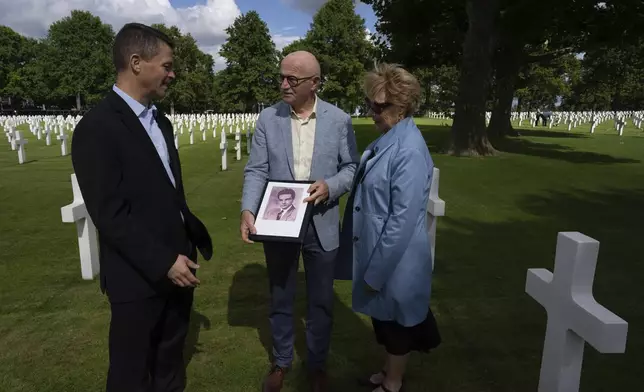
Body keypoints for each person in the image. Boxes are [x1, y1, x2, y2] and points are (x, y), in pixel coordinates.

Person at [71, 23, 213, 392]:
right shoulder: (97, 128)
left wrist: (182, 250)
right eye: (166, 65)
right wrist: (163, 261)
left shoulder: (160, 121)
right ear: (136, 63)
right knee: (131, 374)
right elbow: (110, 214)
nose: (172, 73)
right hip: (137, 276)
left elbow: (167, 193)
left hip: (180, 265)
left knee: (169, 366)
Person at [240, 50, 359, 392]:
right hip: (279, 222)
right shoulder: (268, 119)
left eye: (293, 79)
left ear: (315, 83)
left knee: (321, 300)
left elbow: (351, 168)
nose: (284, 84)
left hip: (321, 221)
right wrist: (248, 209)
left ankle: (317, 364)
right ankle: (281, 362)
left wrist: (331, 186)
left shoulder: (339, 120)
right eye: (281, 76)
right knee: (280, 295)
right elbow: (257, 169)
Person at [339, 63, 441, 392]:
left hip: (395, 259)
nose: (372, 111)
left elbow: (402, 219)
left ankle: (392, 384)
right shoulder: (391, 137)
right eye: (371, 103)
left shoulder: (407, 149)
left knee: (397, 324)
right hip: (380, 250)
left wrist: (376, 271)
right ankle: (387, 371)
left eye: (379, 106)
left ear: (402, 106)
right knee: (385, 319)